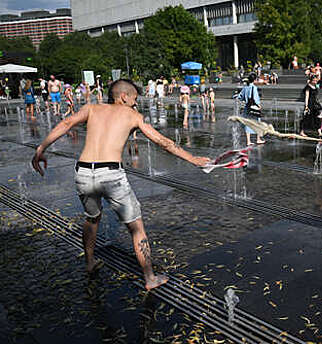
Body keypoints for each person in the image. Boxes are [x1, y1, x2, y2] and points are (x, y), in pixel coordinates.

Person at [31, 79, 209, 290]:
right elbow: (162, 141)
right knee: (136, 228)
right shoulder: (132, 115)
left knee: (92, 218)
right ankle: (150, 277)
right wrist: (193, 159)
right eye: (134, 98)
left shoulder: (91, 108)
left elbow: (66, 124)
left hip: (84, 173)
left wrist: (40, 148)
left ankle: (89, 262)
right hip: (111, 175)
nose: (135, 104)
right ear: (124, 96)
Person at [237, 72, 265, 145]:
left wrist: (245, 100)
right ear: (254, 80)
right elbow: (255, 99)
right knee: (258, 123)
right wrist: (259, 106)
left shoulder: (245, 87)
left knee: (247, 123)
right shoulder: (254, 88)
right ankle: (258, 139)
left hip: (247, 108)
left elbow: (240, 97)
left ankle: (248, 141)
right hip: (254, 107)